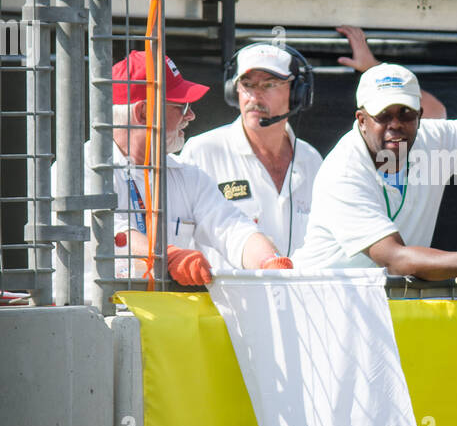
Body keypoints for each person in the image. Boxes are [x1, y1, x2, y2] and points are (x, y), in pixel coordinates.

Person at [294, 14, 457, 290]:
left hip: (381, 302)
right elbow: (395, 258)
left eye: (405, 113)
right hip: (323, 302)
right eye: (383, 115)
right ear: (361, 120)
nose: (395, 124)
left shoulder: (430, 137)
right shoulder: (344, 171)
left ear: (420, 115)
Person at [180, 25, 444, 258]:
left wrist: (377, 73)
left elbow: (435, 113)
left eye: (269, 85)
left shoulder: (311, 160)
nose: (254, 96)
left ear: (297, 93)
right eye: (247, 85)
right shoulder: (202, 152)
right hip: (227, 310)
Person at [68, 51, 292, 303]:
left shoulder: (187, 175)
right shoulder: (79, 169)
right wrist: (169, 256)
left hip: (160, 324)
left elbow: (232, 228)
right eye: (181, 105)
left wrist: (270, 262)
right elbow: (111, 231)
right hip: (92, 327)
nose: (191, 115)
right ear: (142, 113)